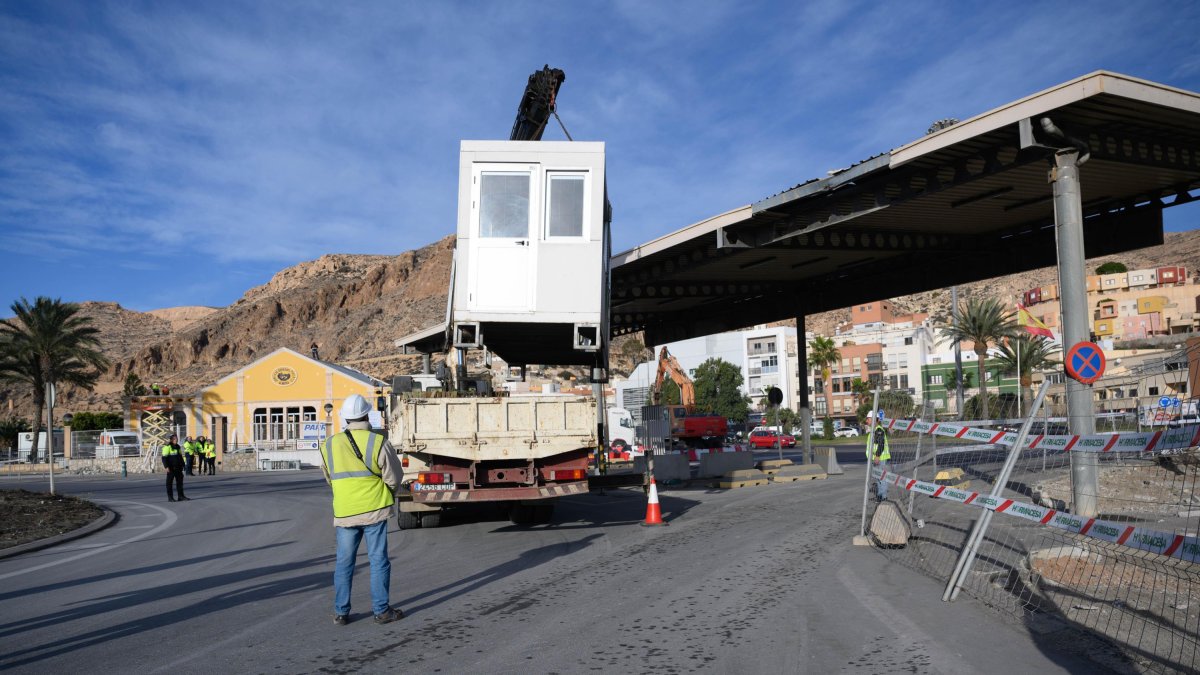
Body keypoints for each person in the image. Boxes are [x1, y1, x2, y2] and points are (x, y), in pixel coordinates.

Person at [320, 394, 403, 626]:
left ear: (345, 418)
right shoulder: (378, 442)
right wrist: (386, 492)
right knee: (378, 561)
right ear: (367, 416)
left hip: (345, 511)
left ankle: (340, 612)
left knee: (344, 562)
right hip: (374, 509)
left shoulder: (329, 444)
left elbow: (330, 478)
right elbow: (394, 477)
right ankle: (381, 610)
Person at [866, 412, 891, 502]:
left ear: (873, 419)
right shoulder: (874, 430)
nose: (866, 421)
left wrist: (877, 456)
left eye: (868, 419)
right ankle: (880, 496)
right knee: (878, 478)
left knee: (882, 478)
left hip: (880, 458)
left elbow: (881, 444)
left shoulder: (878, 430)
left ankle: (883, 497)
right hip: (877, 458)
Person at [161, 434, 189, 502]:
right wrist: (166, 467)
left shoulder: (177, 447)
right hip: (171, 468)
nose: (176, 440)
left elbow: (180, 457)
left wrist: (183, 465)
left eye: (176, 439)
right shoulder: (167, 447)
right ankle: (170, 498)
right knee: (169, 483)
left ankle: (181, 496)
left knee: (180, 483)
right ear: (171, 440)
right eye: (174, 439)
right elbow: (164, 458)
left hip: (178, 467)